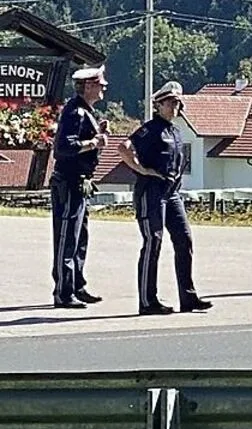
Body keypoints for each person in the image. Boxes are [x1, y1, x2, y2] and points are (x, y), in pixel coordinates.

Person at [117, 81, 212, 316]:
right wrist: (141, 169)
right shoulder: (151, 129)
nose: (175, 106)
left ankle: (188, 298)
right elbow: (124, 147)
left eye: (178, 102)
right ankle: (148, 301)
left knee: (184, 240)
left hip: (172, 194)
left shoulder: (176, 131)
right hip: (152, 193)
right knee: (153, 242)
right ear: (158, 105)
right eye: (170, 102)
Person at [49, 64, 109, 309]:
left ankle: (76, 284)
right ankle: (63, 292)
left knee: (79, 236)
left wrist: (96, 134)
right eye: (99, 83)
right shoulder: (76, 112)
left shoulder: (84, 111)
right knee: (67, 236)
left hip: (80, 181)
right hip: (70, 181)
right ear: (88, 86)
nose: (104, 87)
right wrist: (94, 142)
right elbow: (63, 147)